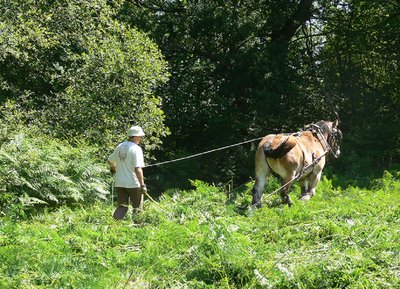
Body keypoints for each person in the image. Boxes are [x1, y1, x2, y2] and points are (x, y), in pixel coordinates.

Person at [108, 125, 147, 220]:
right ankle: (137, 227)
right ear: (135, 136)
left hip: (120, 183)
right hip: (133, 184)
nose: (141, 139)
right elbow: (138, 168)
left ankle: (114, 226)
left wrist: (113, 169)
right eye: (140, 136)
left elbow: (110, 161)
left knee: (122, 207)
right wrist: (142, 185)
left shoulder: (120, 146)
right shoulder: (136, 149)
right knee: (137, 208)